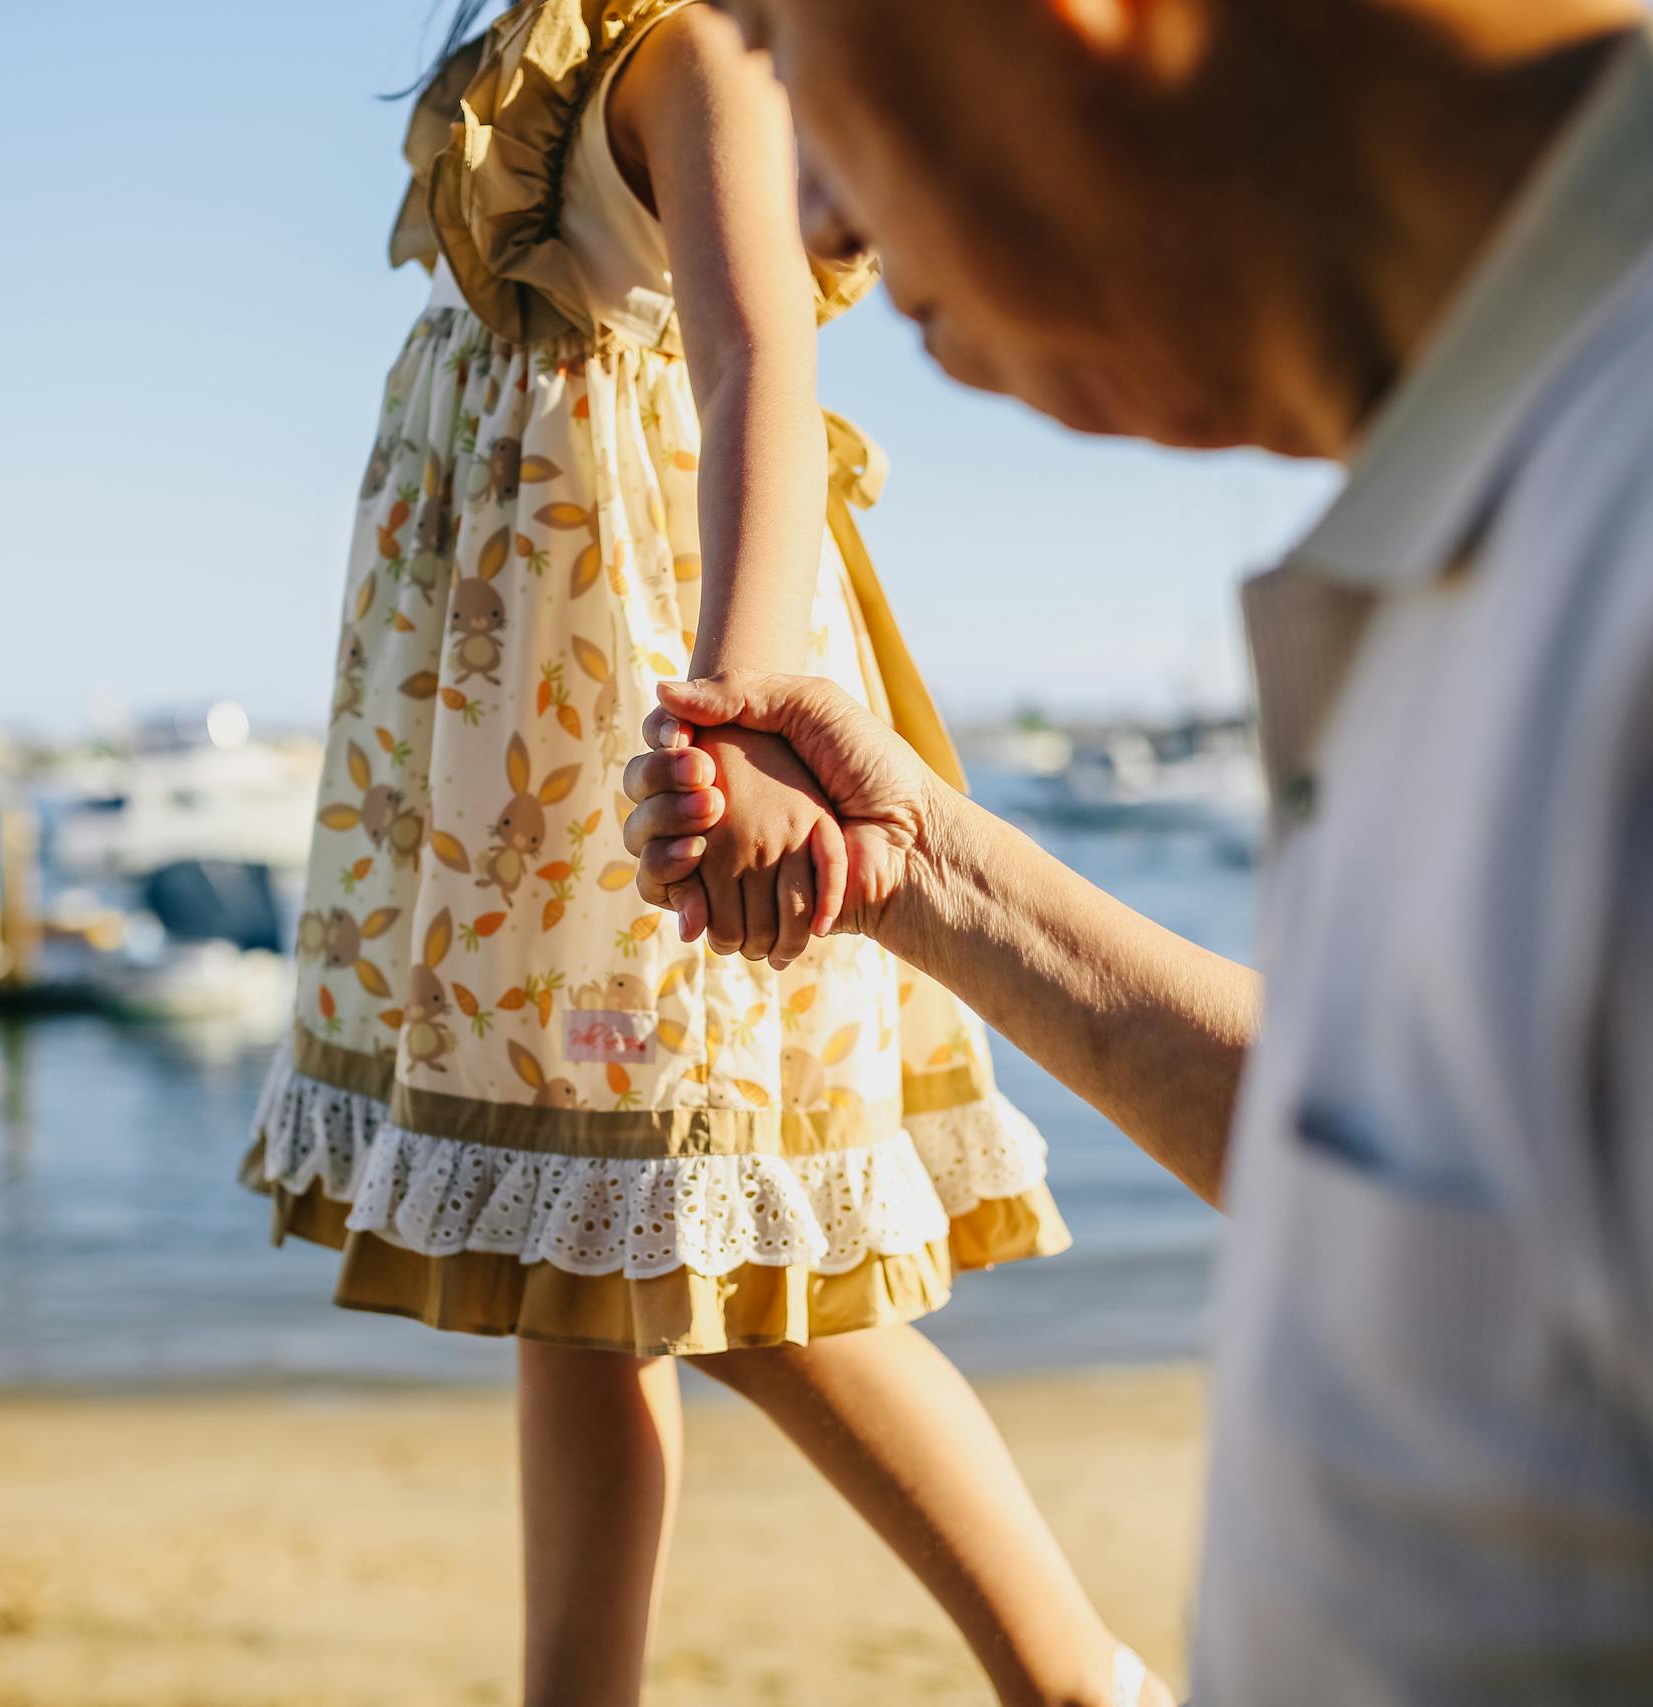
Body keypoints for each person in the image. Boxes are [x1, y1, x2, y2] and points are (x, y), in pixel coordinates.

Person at [627, 0, 1653, 1699]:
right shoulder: (1566, 463)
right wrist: (928, 873)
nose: (812, 218)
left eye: (787, 49)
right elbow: (1480, 1212)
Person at [244, 3, 1166, 1702]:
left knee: (717, 1233)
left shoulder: (692, 53)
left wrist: (742, 704)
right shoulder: (551, 58)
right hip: (515, 734)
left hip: (635, 710)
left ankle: (1077, 1677)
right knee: (569, 1266)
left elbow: (763, 367)